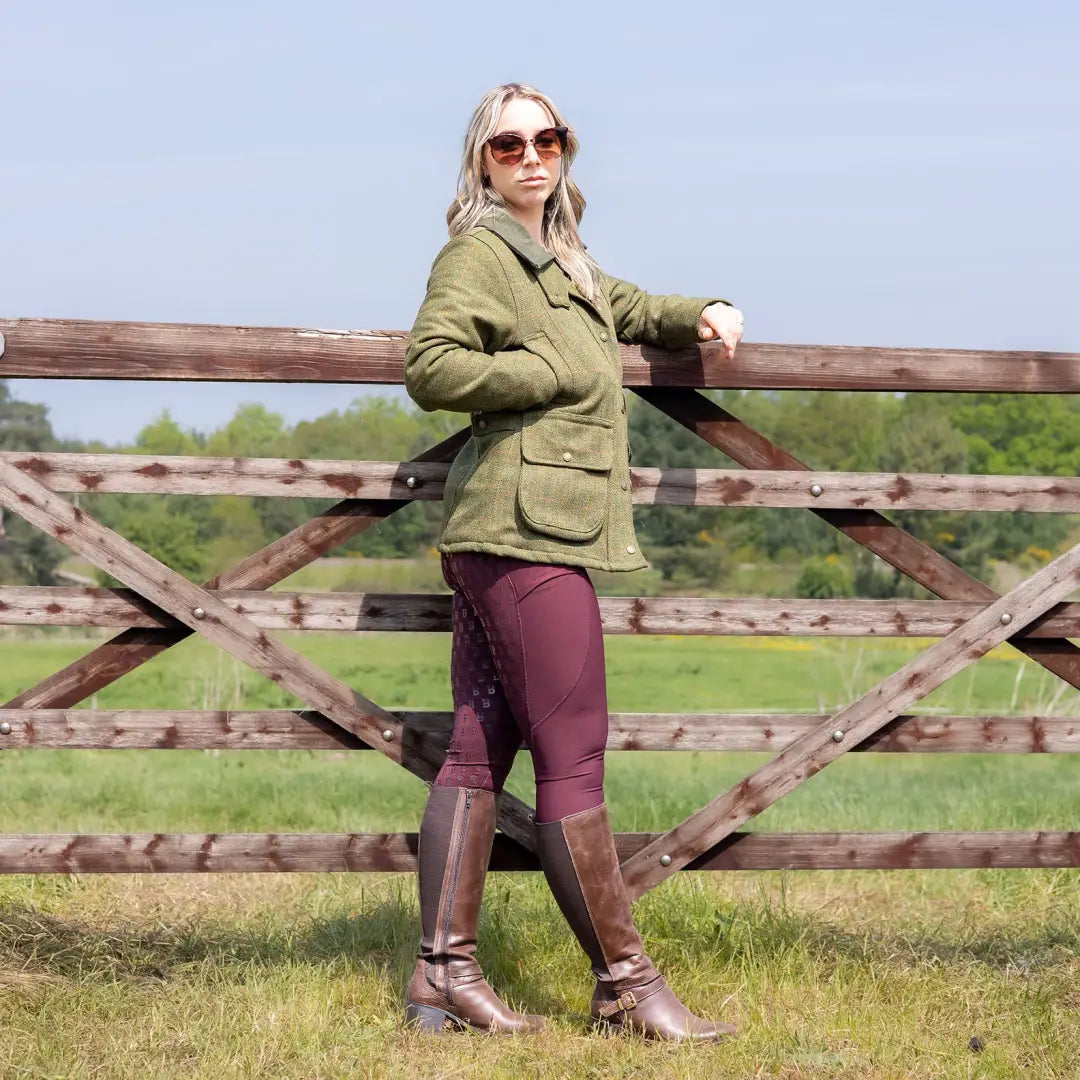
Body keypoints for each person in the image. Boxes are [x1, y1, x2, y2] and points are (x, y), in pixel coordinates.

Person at [401, 82, 744, 1041]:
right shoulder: (479, 255)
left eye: (548, 139)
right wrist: (541, 374)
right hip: (522, 535)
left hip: (505, 533)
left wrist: (702, 309)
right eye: (510, 146)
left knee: (476, 752)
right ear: (483, 162)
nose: (533, 156)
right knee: (574, 757)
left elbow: (627, 306)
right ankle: (626, 986)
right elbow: (431, 366)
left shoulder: (561, 258)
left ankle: (441, 979)